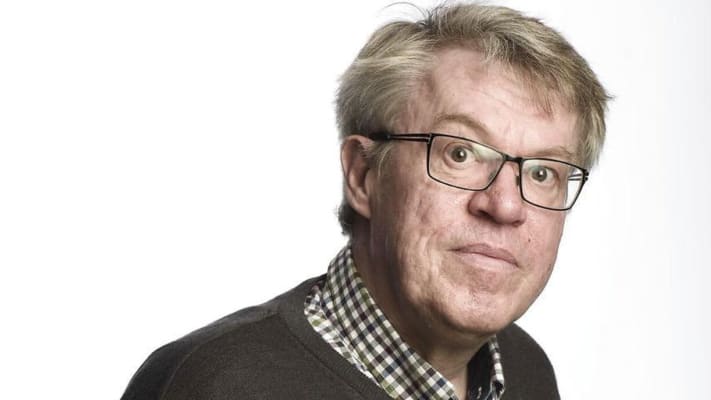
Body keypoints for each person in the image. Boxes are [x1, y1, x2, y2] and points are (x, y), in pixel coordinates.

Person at [121, 3, 608, 399]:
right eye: (460, 154)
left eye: (542, 172)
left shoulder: (526, 373)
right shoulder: (215, 384)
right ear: (362, 174)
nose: (505, 206)